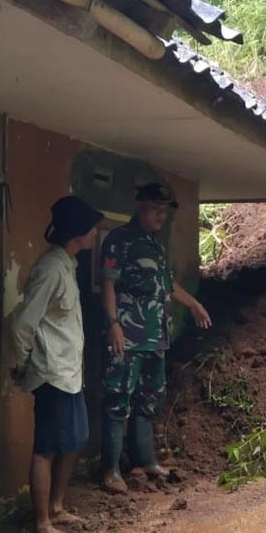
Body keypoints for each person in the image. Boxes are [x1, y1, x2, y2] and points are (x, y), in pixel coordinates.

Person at [99, 182, 212, 493]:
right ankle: (110, 471)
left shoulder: (156, 245)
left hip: (154, 337)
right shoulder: (119, 241)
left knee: (148, 400)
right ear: (140, 206)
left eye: (165, 211)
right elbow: (108, 283)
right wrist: (112, 324)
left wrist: (194, 305)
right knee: (117, 399)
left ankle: (145, 460)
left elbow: (168, 285)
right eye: (155, 209)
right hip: (127, 336)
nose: (161, 216)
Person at [11, 195, 104, 533]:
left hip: (69, 372)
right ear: (79, 233)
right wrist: (21, 363)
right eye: (93, 229)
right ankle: (43, 524)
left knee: (74, 440)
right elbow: (23, 322)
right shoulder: (50, 268)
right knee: (47, 448)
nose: (96, 234)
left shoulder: (67, 264)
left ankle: (58, 506)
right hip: (51, 373)